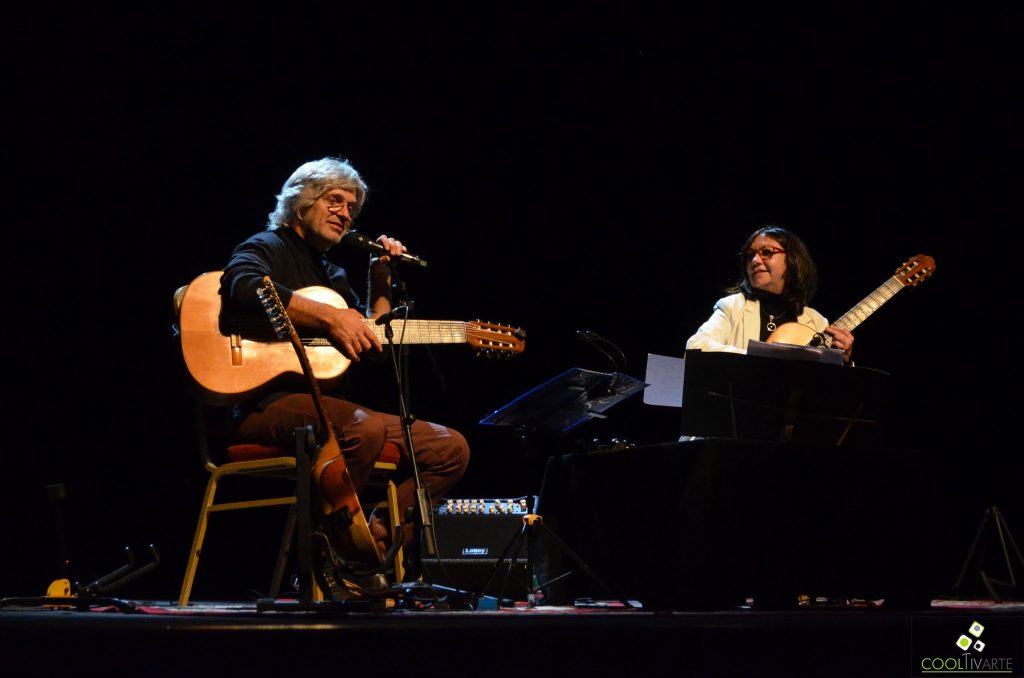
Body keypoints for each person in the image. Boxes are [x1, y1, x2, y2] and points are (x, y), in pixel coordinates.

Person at [218, 156, 470, 585]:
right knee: (363, 428)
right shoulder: (269, 245)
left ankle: (368, 541)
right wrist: (330, 318)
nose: (346, 214)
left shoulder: (332, 274)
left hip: (333, 411)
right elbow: (242, 282)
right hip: (264, 405)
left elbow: (371, 344)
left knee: (450, 448)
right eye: (335, 201)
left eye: (352, 207)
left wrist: (382, 279)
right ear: (302, 202)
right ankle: (326, 550)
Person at [685, 225, 854, 362]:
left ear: (793, 260)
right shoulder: (732, 307)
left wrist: (843, 361)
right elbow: (695, 347)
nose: (755, 261)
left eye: (766, 253)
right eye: (750, 255)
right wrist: (760, 360)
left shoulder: (816, 321)